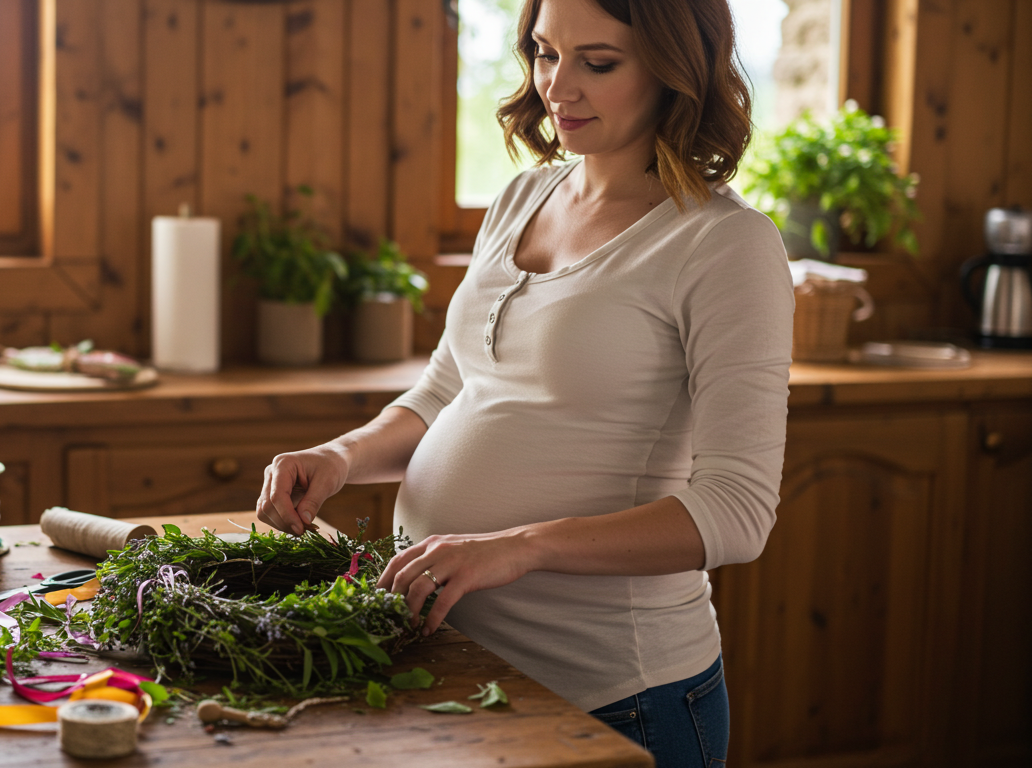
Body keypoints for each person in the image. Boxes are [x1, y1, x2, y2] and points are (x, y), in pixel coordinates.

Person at [256, 0, 792, 765]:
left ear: (677, 70)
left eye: (597, 63)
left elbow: (737, 513)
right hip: (459, 668)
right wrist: (342, 456)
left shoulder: (723, 243)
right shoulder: (520, 200)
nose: (557, 86)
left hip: (618, 697)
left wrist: (515, 548)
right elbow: (449, 392)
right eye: (544, 53)